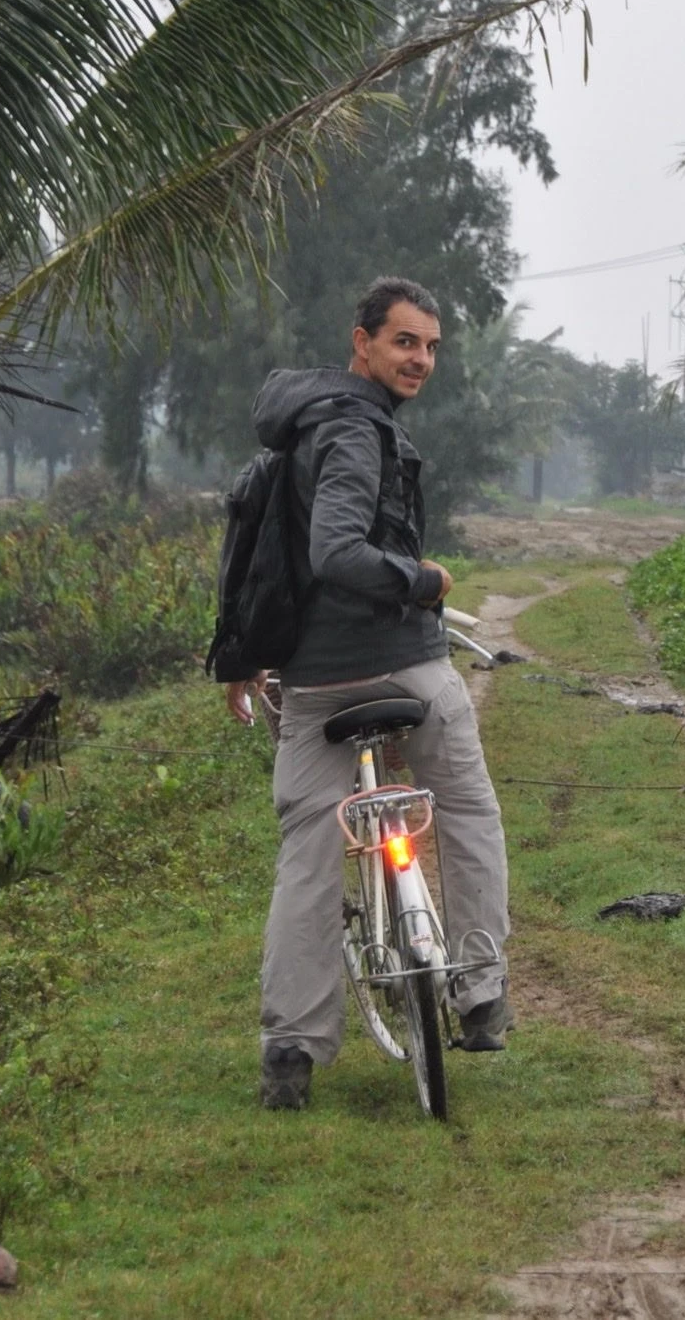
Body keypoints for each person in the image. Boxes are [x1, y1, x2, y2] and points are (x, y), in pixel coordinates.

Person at [223, 277, 513, 1111]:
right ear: (362, 342)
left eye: (430, 346)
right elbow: (335, 551)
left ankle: (291, 1052)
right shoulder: (357, 427)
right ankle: (481, 990)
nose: (420, 359)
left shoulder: (294, 428)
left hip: (310, 682)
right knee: (464, 809)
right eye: (404, 342)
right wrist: (421, 579)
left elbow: (251, 542)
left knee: (308, 856)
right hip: (402, 665)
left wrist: (236, 659)